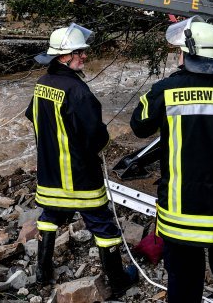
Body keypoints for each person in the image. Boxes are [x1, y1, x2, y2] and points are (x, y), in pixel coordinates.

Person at [130, 18, 213, 303]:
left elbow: (139, 125)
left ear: (190, 53)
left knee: (183, 288)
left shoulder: (166, 90)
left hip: (179, 218)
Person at [25, 23, 137, 296]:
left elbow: (32, 116)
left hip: (50, 175)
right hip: (80, 177)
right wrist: (104, 141)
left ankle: (42, 272)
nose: (85, 56)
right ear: (63, 56)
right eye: (80, 52)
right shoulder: (77, 91)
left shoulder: (42, 84)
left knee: (49, 216)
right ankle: (118, 280)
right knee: (103, 224)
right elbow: (95, 138)